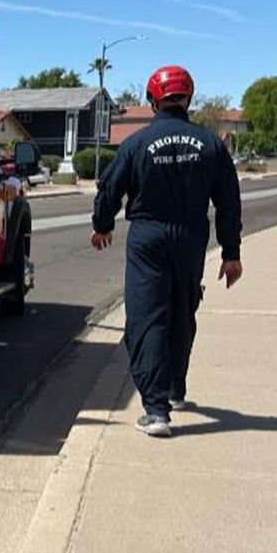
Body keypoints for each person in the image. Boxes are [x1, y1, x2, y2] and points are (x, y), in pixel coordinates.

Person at [91, 65, 243, 437]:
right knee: (182, 310)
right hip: (191, 237)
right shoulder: (210, 145)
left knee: (147, 319)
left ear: (153, 99)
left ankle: (156, 410)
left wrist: (102, 224)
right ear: (188, 97)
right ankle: (175, 389)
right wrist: (231, 253)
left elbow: (111, 187)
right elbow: (228, 201)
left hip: (148, 237)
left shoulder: (137, 144)